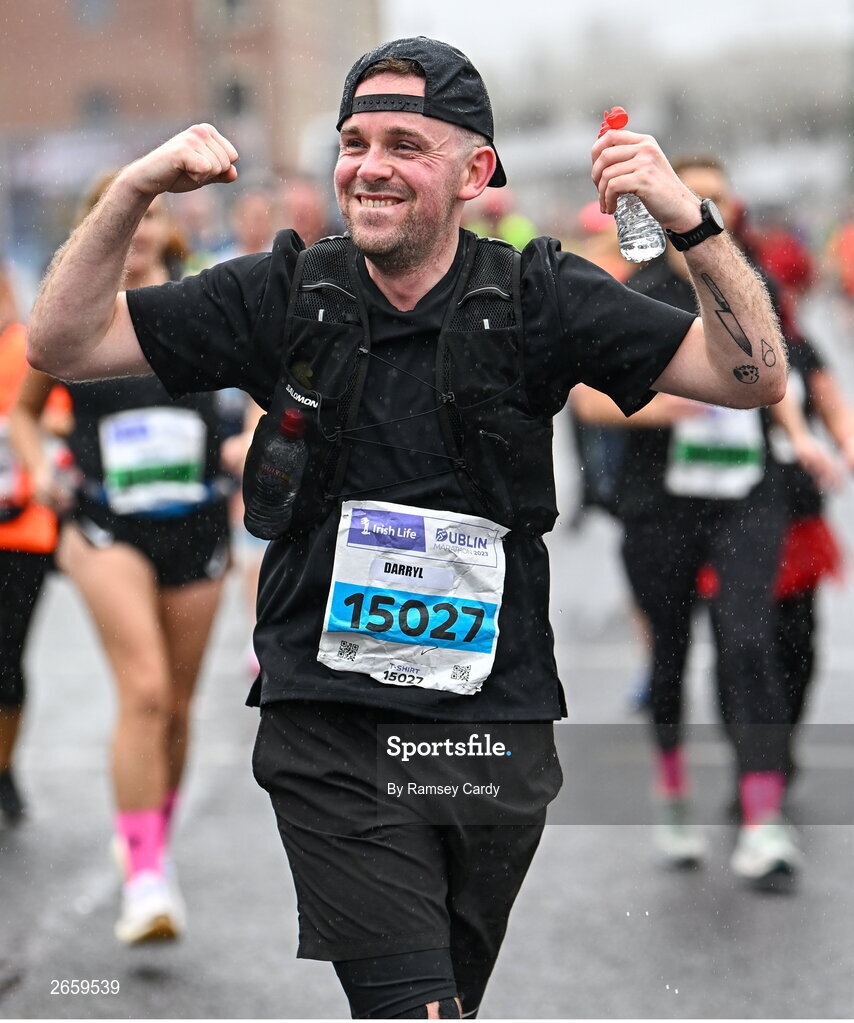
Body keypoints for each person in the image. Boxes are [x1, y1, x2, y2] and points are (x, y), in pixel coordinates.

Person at [26, 37, 786, 1018]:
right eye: (353, 141)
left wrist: (692, 223)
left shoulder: (536, 297)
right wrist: (131, 190)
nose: (369, 166)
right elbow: (60, 342)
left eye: (402, 144)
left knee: (441, 1000)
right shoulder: (283, 293)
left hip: (488, 734)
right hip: (327, 725)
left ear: (475, 172)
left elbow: (751, 374)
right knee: (409, 1004)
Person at [572, 155, 823, 887]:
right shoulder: (638, 292)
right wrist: (678, 401)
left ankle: (762, 821)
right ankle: (674, 791)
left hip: (748, 493)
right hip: (660, 502)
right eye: (690, 196)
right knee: (672, 657)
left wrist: (803, 435)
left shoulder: (753, 284)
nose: (702, 208)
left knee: (749, 641)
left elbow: (778, 372)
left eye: (714, 198)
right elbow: (588, 403)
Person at [12, 178, 230, 945]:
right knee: (141, 690)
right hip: (105, 524)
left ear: (168, 229)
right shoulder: (79, 313)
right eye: (121, 215)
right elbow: (26, 411)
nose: (136, 228)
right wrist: (40, 465)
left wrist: (256, 439)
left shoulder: (208, 305)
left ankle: (148, 838)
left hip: (198, 523)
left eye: (150, 213)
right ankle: (144, 877)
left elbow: (271, 387)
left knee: (174, 706)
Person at [0, 265, 72, 823]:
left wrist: (20, 429)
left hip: (19, 532)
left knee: (5, 659)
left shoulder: (25, 349)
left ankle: (3, 773)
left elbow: (60, 419)